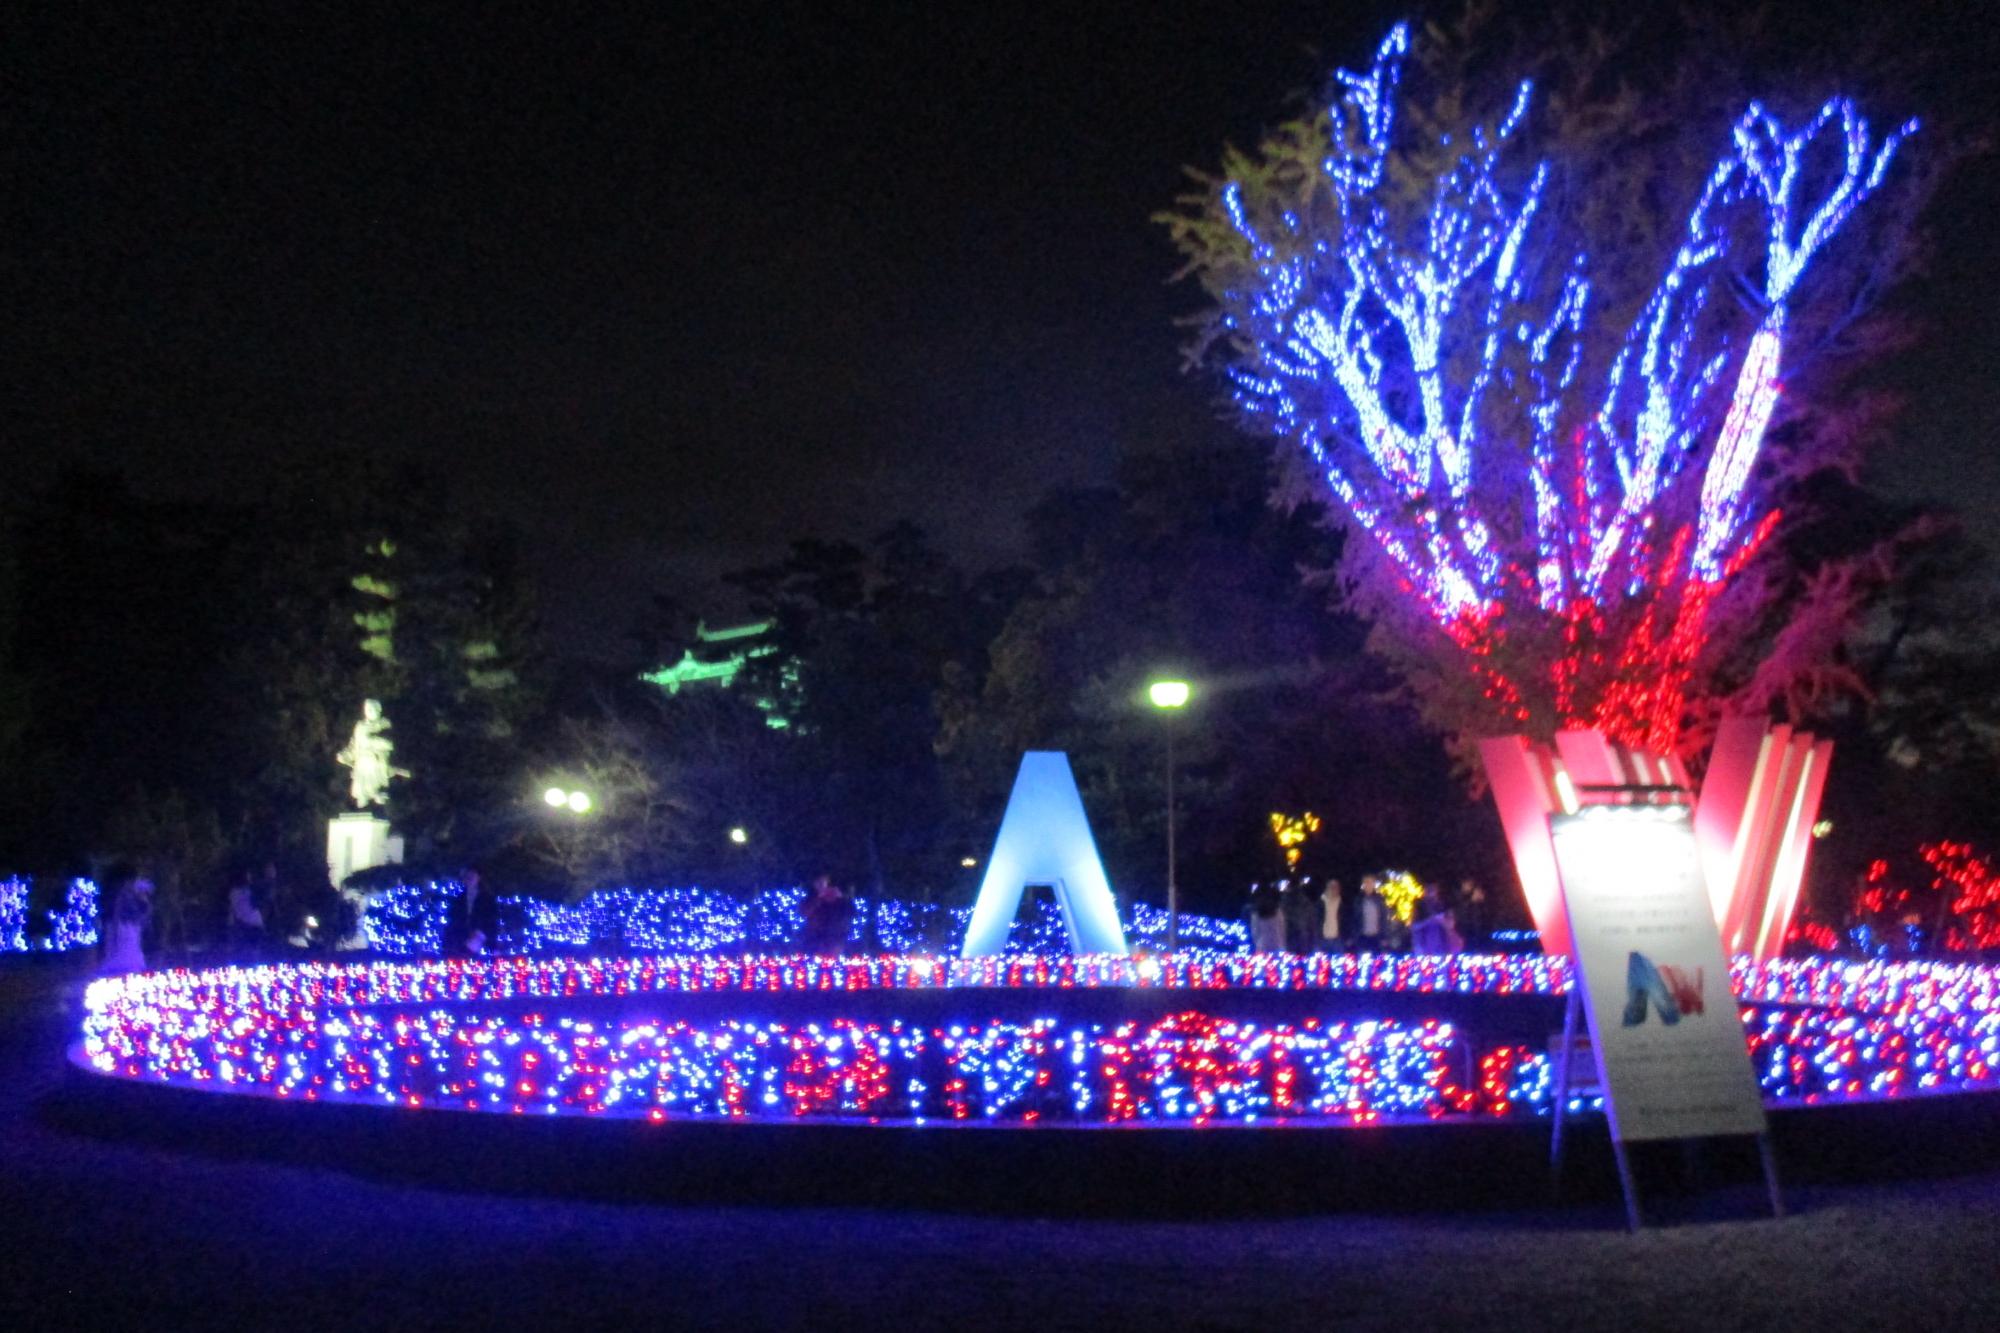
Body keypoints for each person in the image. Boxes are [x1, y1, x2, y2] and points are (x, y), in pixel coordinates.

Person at [99, 863, 152, 974]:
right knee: (121, 951)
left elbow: (144, 910)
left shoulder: (132, 893)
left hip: (130, 926)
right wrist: (115, 926)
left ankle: (128, 970)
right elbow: (116, 910)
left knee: (129, 950)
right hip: (123, 926)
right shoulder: (120, 893)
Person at [444, 865, 499, 957]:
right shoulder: (459, 898)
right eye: (467, 876)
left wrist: (480, 933)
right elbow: (454, 917)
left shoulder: (487, 898)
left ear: (478, 878)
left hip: (481, 936)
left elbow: (491, 918)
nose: (470, 879)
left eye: (473, 876)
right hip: (462, 936)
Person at [800, 874, 854, 955]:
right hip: (815, 936)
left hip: (836, 936)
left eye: (824, 882)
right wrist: (818, 899)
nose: (822, 885)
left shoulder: (841, 899)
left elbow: (851, 913)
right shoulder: (810, 898)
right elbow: (804, 913)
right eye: (819, 883)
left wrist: (841, 898)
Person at [226, 864, 266, 960]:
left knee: (254, 948)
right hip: (246, 923)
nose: (249, 877)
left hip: (252, 922)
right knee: (249, 949)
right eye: (248, 875)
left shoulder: (248, 890)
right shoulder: (238, 891)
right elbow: (233, 907)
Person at [1282, 877, 1319, 953]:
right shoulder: (1306, 902)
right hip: (1304, 939)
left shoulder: (1284, 902)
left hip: (1290, 939)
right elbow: (1312, 923)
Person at [1247, 881, 1284, 953]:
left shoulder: (1256, 914)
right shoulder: (1278, 911)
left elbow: (1255, 933)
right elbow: (1282, 930)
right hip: (1278, 946)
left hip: (1262, 947)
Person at [1356, 875, 1385, 952]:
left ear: (1374, 885)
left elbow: (1384, 918)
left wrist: (1384, 936)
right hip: (1362, 937)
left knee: (1378, 962)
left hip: (1377, 937)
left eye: (1370, 882)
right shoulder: (1358, 900)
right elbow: (1354, 919)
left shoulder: (1380, 900)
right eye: (1366, 882)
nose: (1368, 885)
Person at [1319, 878, 1344, 953]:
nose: (1333, 889)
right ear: (1327, 888)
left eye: (1336, 887)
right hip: (1323, 940)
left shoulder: (1341, 903)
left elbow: (1345, 921)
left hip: (1338, 940)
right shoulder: (1321, 902)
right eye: (1331, 887)